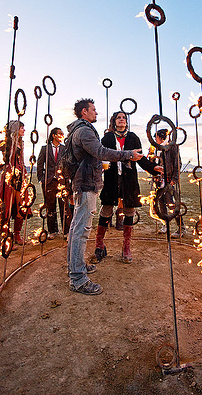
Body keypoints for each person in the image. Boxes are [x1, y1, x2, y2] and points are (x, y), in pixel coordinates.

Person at [66, 99, 143, 296]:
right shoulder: (84, 131)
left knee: (77, 228)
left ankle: (78, 266)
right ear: (84, 111)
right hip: (85, 184)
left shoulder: (82, 129)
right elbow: (100, 152)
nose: (96, 112)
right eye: (93, 109)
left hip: (87, 182)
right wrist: (127, 155)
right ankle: (78, 278)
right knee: (81, 230)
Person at [93, 111, 163, 264]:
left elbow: (140, 158)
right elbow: (101, 155)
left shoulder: (133, 138)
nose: (122, 120)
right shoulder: (107, 138)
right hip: (111, 178)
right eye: (119, 117)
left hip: (129, 179)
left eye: (124, 118)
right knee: (106, 209)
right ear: (114, 121)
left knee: (129, 210)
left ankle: (126, 247)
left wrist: (153, 168)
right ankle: (99, 244)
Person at [0, 120, 31, 246]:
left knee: (21, 205)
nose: (24, 130)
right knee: (6, 207)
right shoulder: (4, 143)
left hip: (21, 179)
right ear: (16, 129)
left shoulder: (21, 143)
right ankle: (5, 236)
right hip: (8, 179)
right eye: (22, 128)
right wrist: (1, 166)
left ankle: (17, 235)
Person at [37, 127, 72, 239]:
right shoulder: (45, 149)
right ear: (53, 135)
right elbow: (39, 164)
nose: (62, 135)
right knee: (50, 207)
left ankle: (66, 231)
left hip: (62, 181)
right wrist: (42, 179)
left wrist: (67, 179)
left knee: (64, 207)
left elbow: (68, 164)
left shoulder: (65, 148)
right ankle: (53, 231)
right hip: (49, 181)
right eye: (60, 133)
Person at [153, 128, 186, 238]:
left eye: (156, 137)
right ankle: (165, 225)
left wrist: (174, 179)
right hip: (158, 181)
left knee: (171, 204)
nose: (154, 139)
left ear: (161, 137)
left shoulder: (172, 148)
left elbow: (177, 164)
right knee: (161, 204)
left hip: (168, 181)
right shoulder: (155, 149)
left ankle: (181, 228)